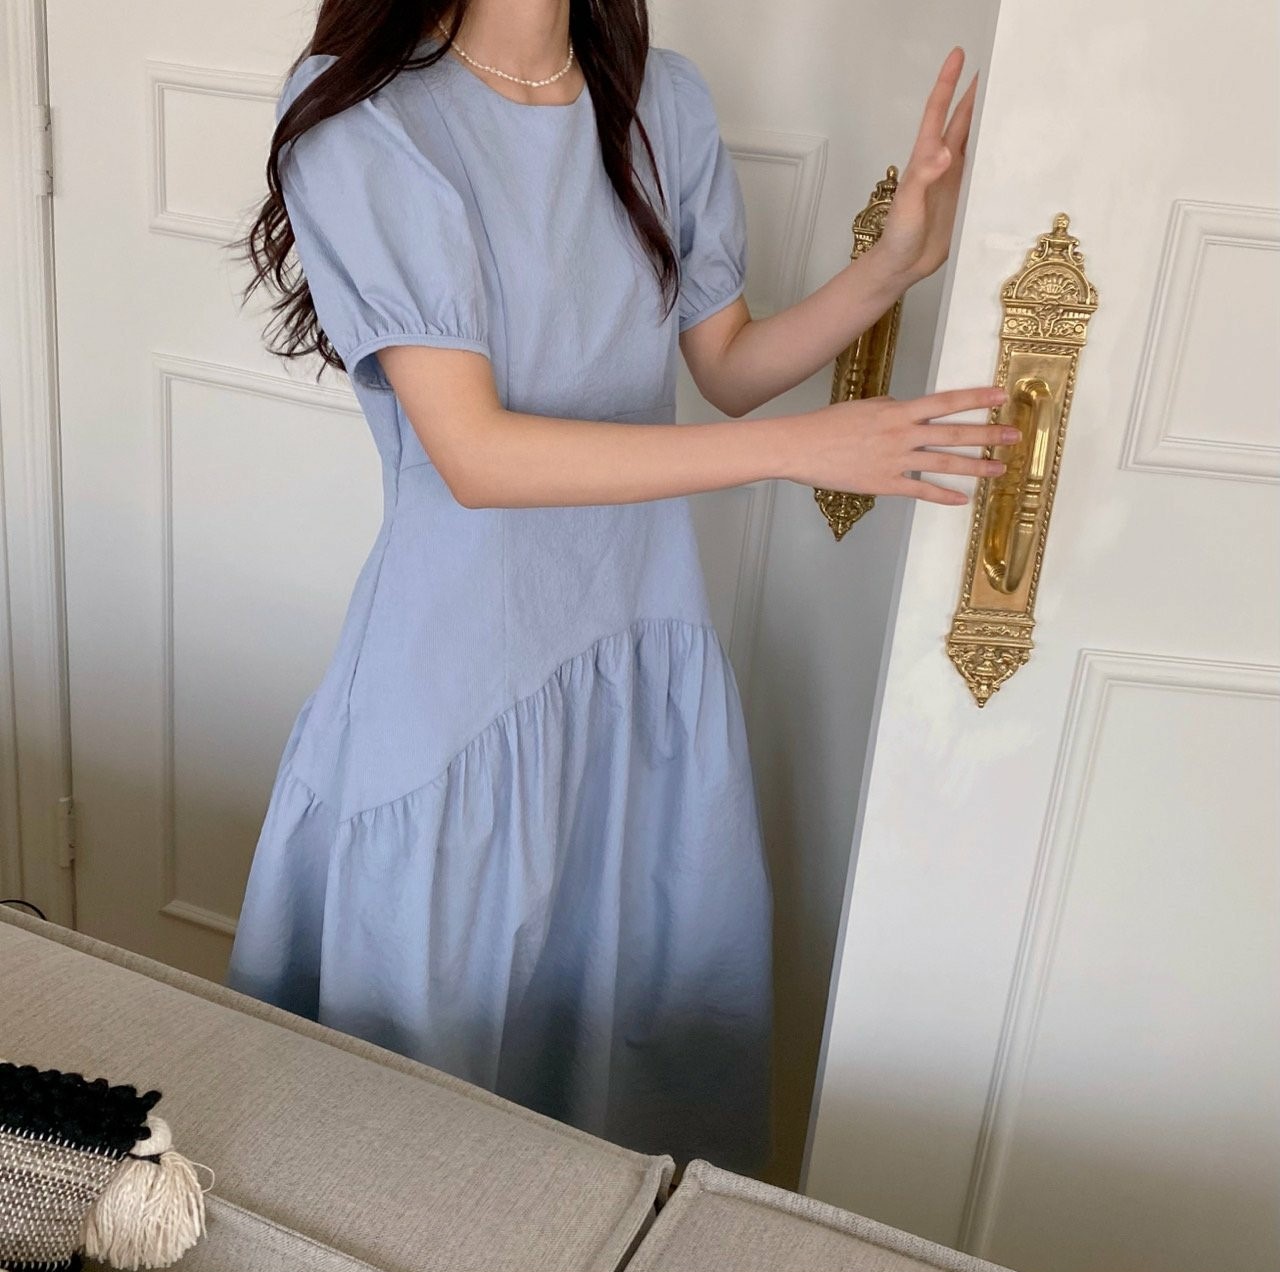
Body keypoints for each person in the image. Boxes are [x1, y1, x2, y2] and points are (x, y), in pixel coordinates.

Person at [226, 0, 1015, 1178]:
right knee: (421, 1139)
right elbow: (477, 456)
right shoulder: (367, 117)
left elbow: (725, 365)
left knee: (624, 1112)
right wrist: (794, 451)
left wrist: (892, 263)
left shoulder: (661, 101)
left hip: (637, 675)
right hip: (464, 695)